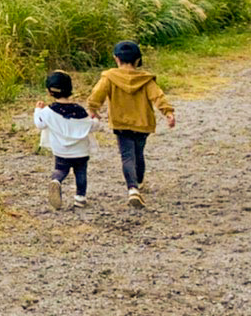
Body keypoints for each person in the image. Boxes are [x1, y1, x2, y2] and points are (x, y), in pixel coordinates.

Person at [87, 40, 175, 208]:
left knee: (127, 156)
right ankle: (139, 181)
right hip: (143, 124)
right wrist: (168, 112)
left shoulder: (109, 77)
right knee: (138, 153)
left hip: (121, 124)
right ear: (137, 60)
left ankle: (133, 189)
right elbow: (158, 97)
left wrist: (93, 109)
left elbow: (97, 94)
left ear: (116, 58)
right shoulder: (146, 79)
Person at [33, 70, 93, 209]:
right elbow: (91, 126)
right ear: (70, 89)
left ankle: (56, 180)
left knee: (61, 169)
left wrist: (37, 110)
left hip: (61, 150)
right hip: (81, 151)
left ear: (50, 92)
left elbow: (40, 124)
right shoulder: (80, 110)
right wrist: (95, 118)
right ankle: (80, 198)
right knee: (81, 173)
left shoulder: (48, 111)